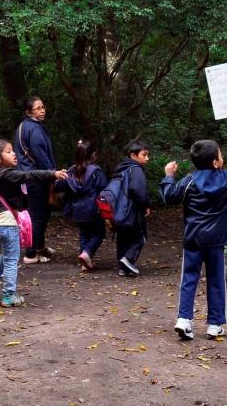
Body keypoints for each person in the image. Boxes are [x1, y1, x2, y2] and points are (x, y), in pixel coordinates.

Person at [160, 140, 227, 340]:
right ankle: (215, 324)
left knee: (189, 279)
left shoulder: (188, 182)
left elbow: (169, 196)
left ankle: (184, 320)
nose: (223, 158)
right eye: (220, 155)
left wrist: (169, 175)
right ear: (215, 162)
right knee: (216, 281)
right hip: (216, 241)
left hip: (193, 238)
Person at [0, 140, 66, 306]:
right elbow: (29, 175)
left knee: (7, 254)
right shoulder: (7, 174)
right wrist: (52, 174)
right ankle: (8, 296)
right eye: (8, 151)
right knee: (12, 259)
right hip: (7, 223)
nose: (14, 153)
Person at [14, 96, 57, 263]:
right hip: (37, 177)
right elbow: (40, 154)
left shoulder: (23, 127)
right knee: (38, 214)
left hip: (28, 176)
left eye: (43, 107)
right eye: (38, 108)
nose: (42, 110)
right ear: (28, 111)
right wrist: (52, 173)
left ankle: (39, 245)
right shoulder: (34, 129)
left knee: (41, 212)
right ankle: (31, 253)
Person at [55, 140, 108, 271]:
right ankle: (87, 253)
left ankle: (84, 261)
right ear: (94, 154)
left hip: (77, 210)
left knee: (84, 234)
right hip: (93, 210)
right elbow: (104, 189)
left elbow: (60, 186)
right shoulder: (96, 172)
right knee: (99, 233)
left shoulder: (71, 171)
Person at [111, 140, 152, 278]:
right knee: (140, 236)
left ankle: (122, 268)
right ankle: (128, 259)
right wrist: (145, 205)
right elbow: (137, 190)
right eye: (144, 155)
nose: (147, 158)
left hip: (119, 210)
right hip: (132, 211)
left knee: (123, 237)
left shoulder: (121, 168)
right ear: (133, 156)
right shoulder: (136, 169)